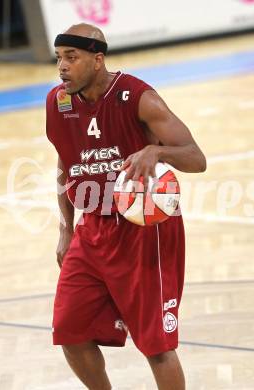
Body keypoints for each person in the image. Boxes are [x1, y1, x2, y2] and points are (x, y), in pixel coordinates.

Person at [46, 23, 206, 390]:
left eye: (72, 58)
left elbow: (197, 158)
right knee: (70, 331)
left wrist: (157, 150)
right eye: (59, 59)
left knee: (155, 346)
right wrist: (66, 229)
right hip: (91, 229)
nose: (63, 67)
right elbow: (64, 163)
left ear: (97, 60)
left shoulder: (138, 97)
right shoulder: (58, 102)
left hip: (144, 230)